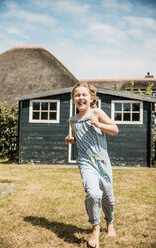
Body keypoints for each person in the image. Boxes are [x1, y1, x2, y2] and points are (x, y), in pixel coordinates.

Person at [65, 82, 119, 248]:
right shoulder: (72, 120)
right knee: (94, 193)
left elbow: (115, 129)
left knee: (107, 196)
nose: (81, 97)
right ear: (73, 99)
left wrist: (99, 124)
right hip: (85, 161)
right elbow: (78, 137)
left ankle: (109, 222)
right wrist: (72, 140)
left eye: (84, 95)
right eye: (77, 95)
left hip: (102, 161)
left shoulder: (97, 112)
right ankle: (95, 228)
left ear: (91, 98)